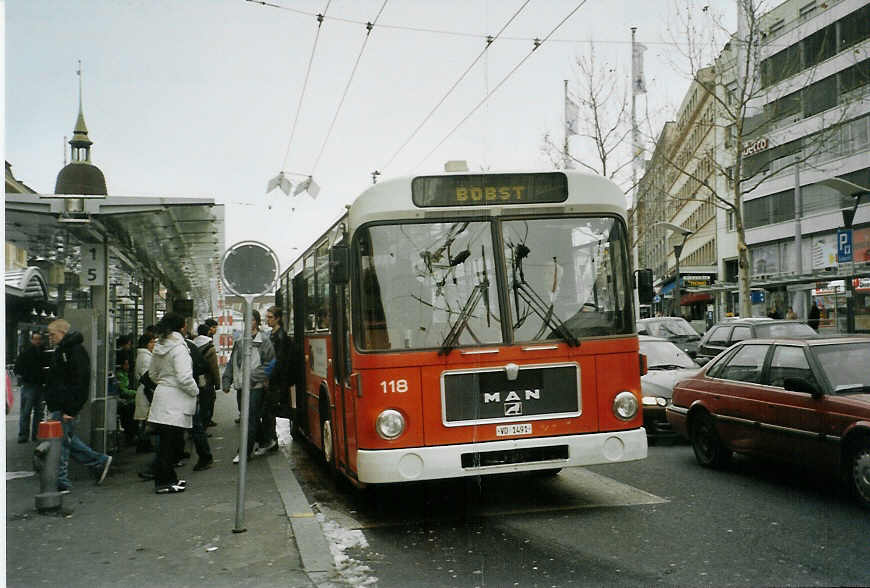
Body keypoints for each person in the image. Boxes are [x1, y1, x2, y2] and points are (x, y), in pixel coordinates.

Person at [44, 319, 112, 492]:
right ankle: (99, 460)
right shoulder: (67, 350)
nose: (50, 338)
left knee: (61, 444)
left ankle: (62, 482)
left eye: (52, 334)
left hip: (65, 405)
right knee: (66, 440)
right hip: (62, 404)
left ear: (62, 333)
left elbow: (80, 382)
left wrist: (71, 409)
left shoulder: (72, 351)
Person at [147, 313, 199, 494]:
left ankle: (169, 478)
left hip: (162, 397)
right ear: (183, 327)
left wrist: (165, 382)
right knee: (170, 445)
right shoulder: (179, 349)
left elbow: (152, 374)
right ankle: (163, 483)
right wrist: (195, 391)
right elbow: (185, 377)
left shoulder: (159, 346)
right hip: (176, 400)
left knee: (165, 444)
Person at [222, 309, 274, 463]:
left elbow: (270, 364)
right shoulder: (240, 341)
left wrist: (254, 378)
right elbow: (232, 362)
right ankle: (266, 441)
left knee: (248, 419)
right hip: (241, 386)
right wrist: (227, 380)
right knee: (249, 417)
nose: (249, 323)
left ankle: (244, 452)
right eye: (247, 320)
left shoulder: (264, 341)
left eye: (252, 320)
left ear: (257, 322)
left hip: (255, 386)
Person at [258, 306, 291, 455]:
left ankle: (271, 440)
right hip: (269, 378)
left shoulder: (281, 337)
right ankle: (270, 440)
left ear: (277, 318)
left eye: (270, 317)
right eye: (267, 317)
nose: (268, 320)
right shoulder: (271, 335)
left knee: (268, 410)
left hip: (275, 380)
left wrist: (269, 378)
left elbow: (279, 361)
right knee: (267, 410)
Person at [184, 323, 214, 471]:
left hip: (188, 391)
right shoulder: (187, 345)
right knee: (195, 425)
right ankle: (203, 456)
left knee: (195, 425)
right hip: (191, 389)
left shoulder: (186, 346)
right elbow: (205, 366)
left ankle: (204, 456)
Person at [14, 331, 47, 443]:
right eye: (35, 339)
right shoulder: (27, 353)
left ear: (42, 340)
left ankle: (34, 435)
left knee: (38, 412)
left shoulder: (44, 352)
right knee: (27, 411)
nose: (37, 341)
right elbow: (17, 368)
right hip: (29, 385)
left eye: (39, 339)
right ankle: (25, 435)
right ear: (32, 340)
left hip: (39, 385)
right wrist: (24, 378)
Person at [193, 323, 220, 430]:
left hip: (195, 377)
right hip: (207, 379)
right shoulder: (210, 347)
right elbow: (214, 367)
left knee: (198, 401)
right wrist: (217, 383)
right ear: (208, 332)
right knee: (208, 401)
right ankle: (204, 425)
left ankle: (197, 424)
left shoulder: (192, 344)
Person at [133, 333, 156, 453]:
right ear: (146, 343)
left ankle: (144, 444)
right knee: (145, 421)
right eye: (151, 342)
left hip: (144, 391)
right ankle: (143, 444)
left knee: (145, 420)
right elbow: (147, 376)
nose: (154, 345)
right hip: (145, 392)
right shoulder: (145, 357)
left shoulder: (144, 355)